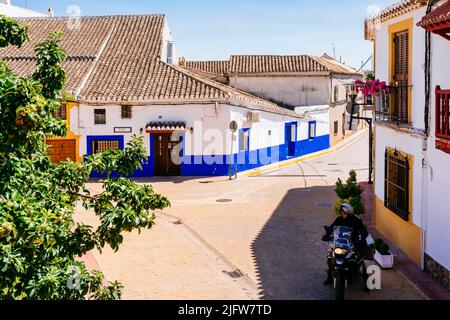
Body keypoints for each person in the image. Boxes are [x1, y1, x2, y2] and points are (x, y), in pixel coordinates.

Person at [322, 203, 369, 286]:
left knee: (360, 259)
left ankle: (366, 281)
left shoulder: (357, 221)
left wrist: (362, 239)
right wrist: (328, 232)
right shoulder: (339, 219)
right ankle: (329, 277)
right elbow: (332, 227)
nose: (341, 214)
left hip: (352, 243)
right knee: (330, 255)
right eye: (341, 212)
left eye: (343, 213)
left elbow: (363, 231)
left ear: (348, 213)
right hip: (339, 242)